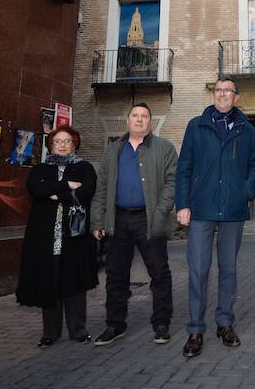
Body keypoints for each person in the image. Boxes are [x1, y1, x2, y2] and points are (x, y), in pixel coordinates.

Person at [175, 76, 255, 358]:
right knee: (199, 270)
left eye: (228, 91)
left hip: (233, 210)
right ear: (214, 94)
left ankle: (224, 323)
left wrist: (246, 191)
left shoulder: (246, 129)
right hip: (200, 209)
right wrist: (182, 205)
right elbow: (184, 168)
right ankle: (195, 329)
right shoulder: (196, 126)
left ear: (236, 97)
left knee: (229, 269)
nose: (223, 94)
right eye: (218, 90)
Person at [90, 103, 178, 346]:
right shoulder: (113, 150)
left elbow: (173, 183)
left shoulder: (164, 148)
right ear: (127, 120)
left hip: (149, 219)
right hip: (117, 220)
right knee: (116, 274)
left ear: (150, 122)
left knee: (159, 272)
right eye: (135, 116)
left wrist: (160, 212)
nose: (139, 120)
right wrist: (98, 220)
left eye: (144, 116)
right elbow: (102, 188)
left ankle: (161, 323)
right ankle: (114, 325)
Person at [16, 125, 98, 347]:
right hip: (45, 237)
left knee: (75, 284)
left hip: (74, 235)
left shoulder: (85, 168)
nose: (62, 145)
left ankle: (78, 331)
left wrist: (54, 194)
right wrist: (66, 186)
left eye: (67, 141)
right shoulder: (40, 169)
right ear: (51, 145)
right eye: (57, 142)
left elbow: (86, 191)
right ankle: (50, 333)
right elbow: (35, 188)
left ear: (74, 144)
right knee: (49, 283)